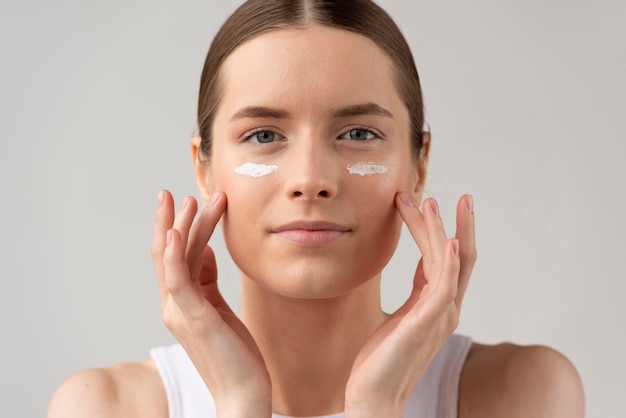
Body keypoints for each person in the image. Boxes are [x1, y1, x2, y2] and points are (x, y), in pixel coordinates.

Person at [47, 1, 584, 417]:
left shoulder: (522, 394)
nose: (310, 180)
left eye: (358, 133)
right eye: (263, 135)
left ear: (418, 165)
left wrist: (377, 407)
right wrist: (238, 403)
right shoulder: (105, 407)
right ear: (204, 167)